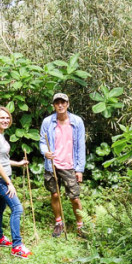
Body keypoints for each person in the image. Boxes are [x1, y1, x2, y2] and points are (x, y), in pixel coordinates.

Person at [39, 92, 86, 237]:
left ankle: (81, 226)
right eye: (57, 103)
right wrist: (45, 152)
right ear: (53, 105)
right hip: (52, 165)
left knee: (74, 197)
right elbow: (42, 141)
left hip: (69, 165)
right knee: (54, 194)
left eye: (63, 102)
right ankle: (58, 223)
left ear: (68, 104)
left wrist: (79, 169)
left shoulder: (77, 122)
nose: (60, 105)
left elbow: (80, 146)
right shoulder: (47, 122)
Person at [0, 107, 31, 258]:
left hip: (2, 177)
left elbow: (3, 161)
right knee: (17, 208)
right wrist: (9, 184)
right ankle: (17, 246)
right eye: (2, 118)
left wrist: (19, 163)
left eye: (7, 118)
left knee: (0, 207)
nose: (5, 120)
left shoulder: (0, 135)